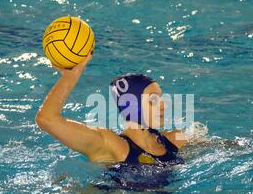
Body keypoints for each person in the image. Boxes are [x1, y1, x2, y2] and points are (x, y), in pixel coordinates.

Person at [36, 53, 188, 166]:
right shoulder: (112, 146)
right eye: (154, 99)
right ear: (132, 105)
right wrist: (71, 76)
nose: (164, 105)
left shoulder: (175, 140)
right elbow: (47, 119)